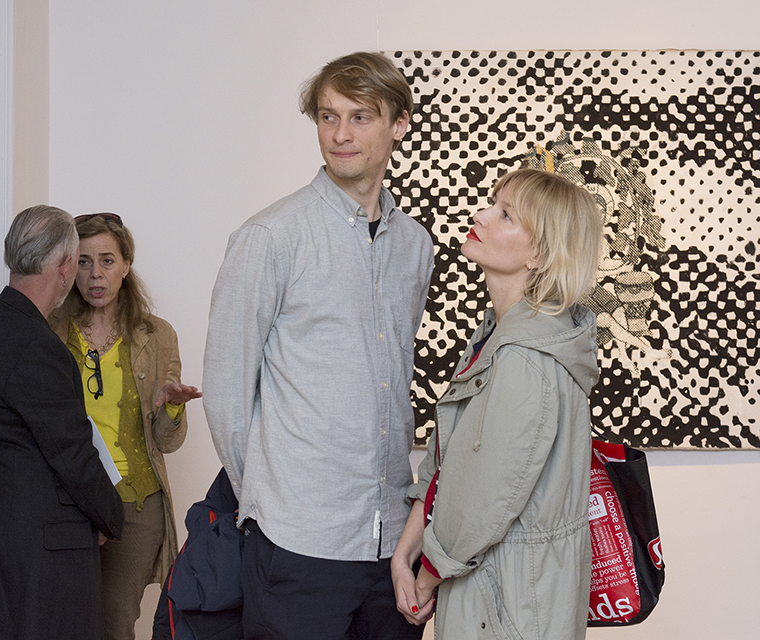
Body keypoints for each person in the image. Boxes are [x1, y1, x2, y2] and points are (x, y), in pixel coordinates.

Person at [203, 51, 434, 640]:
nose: (340, 135)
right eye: (328, 117)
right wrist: (267, 501)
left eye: (360, 117)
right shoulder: (270, 237)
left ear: (399, 123)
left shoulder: (415, 245)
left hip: (390, 541)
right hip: (297, 540)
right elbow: (227, 391)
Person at [0, 212, 200, 640]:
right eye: (85, 261)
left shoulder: (155, 335)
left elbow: (162, 441)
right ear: (68, 266)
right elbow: (40, 429)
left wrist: (171, 410)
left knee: (110, 623)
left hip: (123, 505)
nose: (95, 273)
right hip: (72, 509)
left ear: (126, 266)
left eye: (107, 261)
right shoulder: (45, 332)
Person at [391, 169, 603, 639]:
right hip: (498, 592)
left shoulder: (524, 357)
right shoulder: (498, 335)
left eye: (505, 214)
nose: (481, 215)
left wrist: (425, 578)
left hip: (509, 603)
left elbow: (483, 499)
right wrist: (405, 552)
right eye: (492, 203)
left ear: (539, 253)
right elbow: (452, 463)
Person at [0, 205, 125, 640]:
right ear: (66, 266)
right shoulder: (35, 344)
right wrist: (111, 515)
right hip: (46, 549)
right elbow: (72, 453)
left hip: (9, 531)